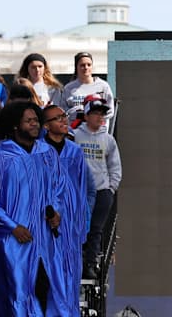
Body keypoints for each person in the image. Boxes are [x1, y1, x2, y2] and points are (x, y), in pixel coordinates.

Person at [0, 101, 63, 317]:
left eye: (36, 120)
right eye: (28, 121)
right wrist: (12, 227)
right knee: (16, 294)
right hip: (14, 239)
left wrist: (56, 212)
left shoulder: (47, 153)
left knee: (47, 291)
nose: (34, 124)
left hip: (45, 238)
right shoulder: (0, 156)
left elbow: (57, 188)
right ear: (15, 125)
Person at [43, 103, 95, 317]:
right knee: (49, 281)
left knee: (71, 280)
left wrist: (83, 220)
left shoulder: (75, 152)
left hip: (71, 228)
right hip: (45, 228)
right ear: (46, 126)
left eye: (64, 116)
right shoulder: (38, 152)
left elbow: (88, 189)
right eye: (57, 118)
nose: (64, 120)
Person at [75, 98, 121, 282]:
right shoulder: (76, 135)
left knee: (96, 229)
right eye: (96, 113)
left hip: (102, 190)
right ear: (86, 115)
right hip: (81, 190)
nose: (100, 117)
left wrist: (111, 188)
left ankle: (89, 264)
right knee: (79, 227)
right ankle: (76, 262)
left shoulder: (108, 139)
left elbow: (115, 166)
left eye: (102, 114)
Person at [55, 52, 114, 128]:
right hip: (76, 131)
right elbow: (63, 111)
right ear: (76, 67)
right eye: (82, 65)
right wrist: (77, 114)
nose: (86, 67)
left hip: (98, 132)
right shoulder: (68, 88)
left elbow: (110, 110)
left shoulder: (103, 86)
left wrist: (95, 118)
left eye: (89, 65)